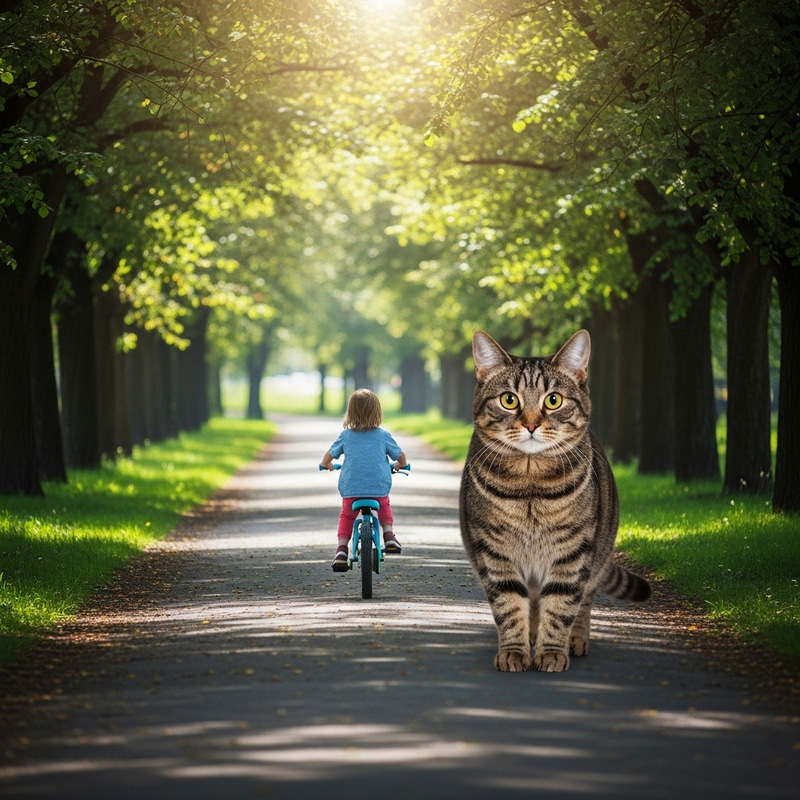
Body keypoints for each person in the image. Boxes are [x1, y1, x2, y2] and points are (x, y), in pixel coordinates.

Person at [320, 389, 408, 571]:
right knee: (384, 504)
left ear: (350, 412)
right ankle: (389, 536)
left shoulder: (346, 436)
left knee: (347, 514)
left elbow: (329, 456)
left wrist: (326, 464)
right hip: (378, 488)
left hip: (351, 489)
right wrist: (400, 465)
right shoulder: (383, 435)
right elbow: (400, 456)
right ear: (377, 412)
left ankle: (342, 550)